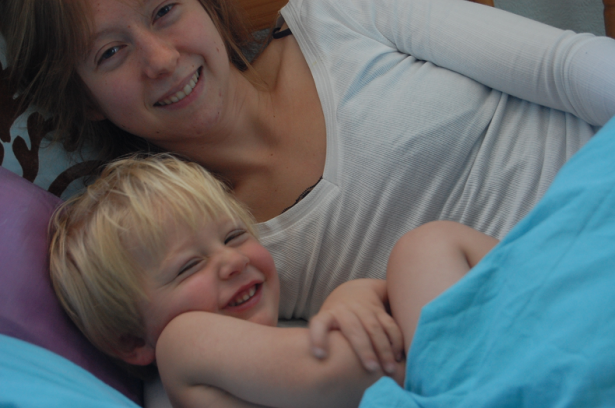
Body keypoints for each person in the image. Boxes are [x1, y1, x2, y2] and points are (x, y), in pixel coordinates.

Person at [3, 0, 615, 340]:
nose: (160, 59)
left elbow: (565, 67)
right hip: (548, 334)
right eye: (111, 52)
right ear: (85, 98)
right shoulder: (204, 253)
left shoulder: (338, 17)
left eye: (164, 10)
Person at [48, 154, 498, 408]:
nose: (231, 261)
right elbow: (339, 372)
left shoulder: (290, 327)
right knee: (425, 248)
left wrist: (352, 296)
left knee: (425, 245)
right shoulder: (180, 345)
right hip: (446, 385)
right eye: (188, 267)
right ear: (131, 340)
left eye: (234, 236)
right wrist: (360, 304)